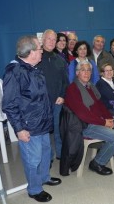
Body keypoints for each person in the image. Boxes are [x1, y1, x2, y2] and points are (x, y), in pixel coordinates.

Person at [2, 35, 62, 202]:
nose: (42, 51)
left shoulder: (33, 68)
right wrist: (19, 129)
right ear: (31, 52)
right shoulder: (14, 71)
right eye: (40, 48)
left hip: (41, 123)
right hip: (29, 126)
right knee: (32, 160)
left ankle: (44, 178)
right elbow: (9, 105)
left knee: (45, 154)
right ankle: (34, 189)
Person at [65, 60, 114, 175]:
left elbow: (100, 105)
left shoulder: (89, 86)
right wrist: (104, 122)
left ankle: (105, 148)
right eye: (83, 70)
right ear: (77, 73)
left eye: (89, 70)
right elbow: (83, 115)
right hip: (85, 126)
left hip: (96, 120)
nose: (86, 73)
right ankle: (97, 163)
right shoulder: (73, 89)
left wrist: (109, 118)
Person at [38, 29, 69, 160]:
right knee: (43, 133)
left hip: (57, 102)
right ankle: (47, 157)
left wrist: (62, 96)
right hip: (41, 103)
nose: (51, 42)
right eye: (48, 39)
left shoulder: (60, 60)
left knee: (58, 130)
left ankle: (60, 154)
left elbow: (65, 82)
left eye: (53, 39)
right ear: (43, 40)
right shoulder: (36, 58)